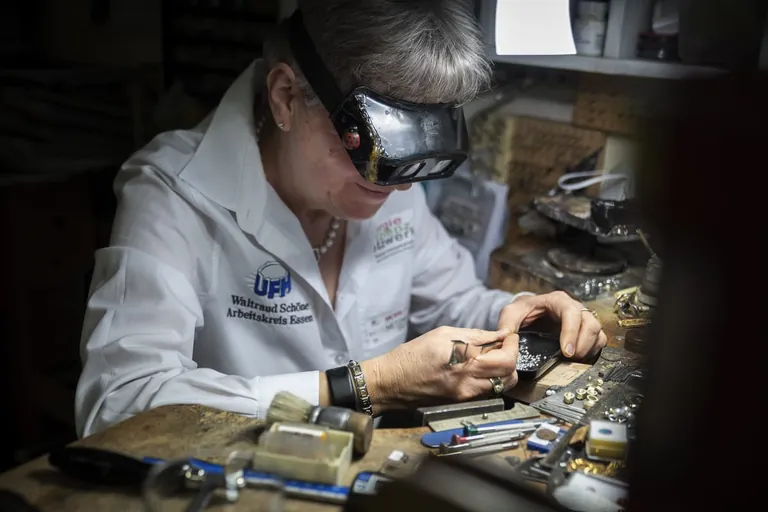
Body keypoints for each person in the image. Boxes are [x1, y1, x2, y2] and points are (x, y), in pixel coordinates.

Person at [75, 0, 606, 437]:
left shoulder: (389, 183)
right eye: (378, 148)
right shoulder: (174, 194)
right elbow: (119, 402)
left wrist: (525, 316)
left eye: (418, 150)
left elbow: (453, 301)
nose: (400, 184)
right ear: (286, 98)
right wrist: (367, 384)